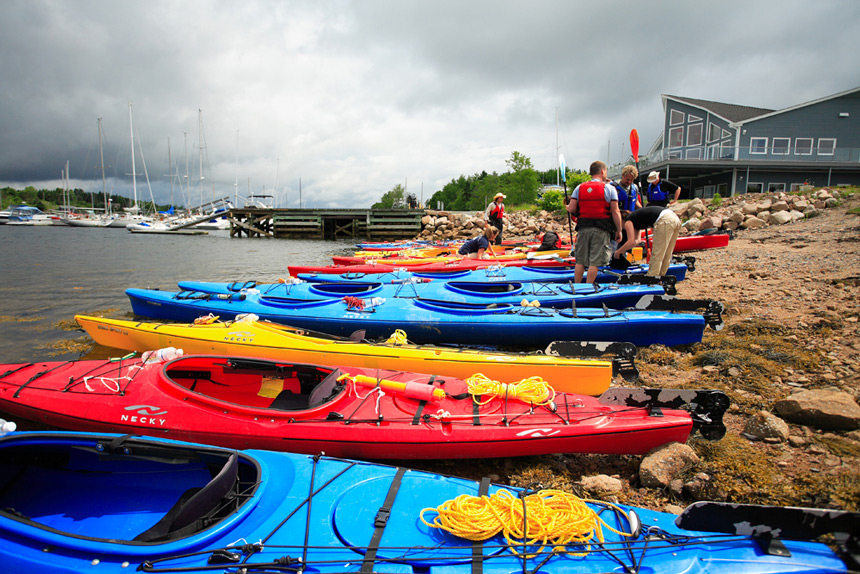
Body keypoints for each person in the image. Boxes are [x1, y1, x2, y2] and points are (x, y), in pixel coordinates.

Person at [566, 160, 622, 283]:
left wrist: (567, 207)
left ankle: (577, 285)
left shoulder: (579, 188)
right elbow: (615, 212)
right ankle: (588, 286)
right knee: (594, 262)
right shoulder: (609, 188)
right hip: (601, 229)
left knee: (580, 261)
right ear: (602, 172)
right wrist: (619, 230)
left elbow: (571, 208)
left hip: (583, 229)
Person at [612, 205, 682, 277]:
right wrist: (623, 250)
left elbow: (631, 241)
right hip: (674, 218)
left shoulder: (628, 221)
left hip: (665, 220)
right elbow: (637, 241)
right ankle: (661, 276)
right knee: (667, 253)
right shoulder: (635, 219)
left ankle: (652, 277)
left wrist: (618, 252)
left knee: (657, 254)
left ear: (621, 220)